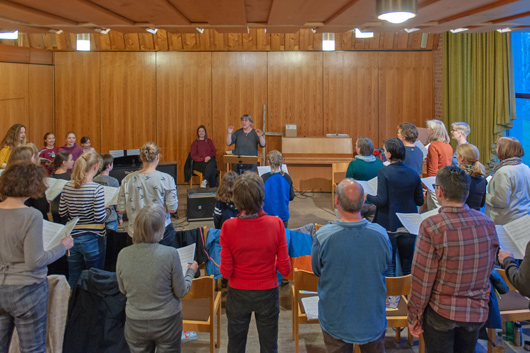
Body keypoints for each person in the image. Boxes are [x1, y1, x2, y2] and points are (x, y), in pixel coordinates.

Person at [408, 166, 498, 353]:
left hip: (442, 312)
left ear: (439, 191)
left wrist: (414, 316)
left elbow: (422, 279)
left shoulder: (431, 226)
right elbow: (489, 266)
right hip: (476, 310)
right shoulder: (487, 223)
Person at [0, 161, 73, 353]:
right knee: (32, 349)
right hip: (27, 290)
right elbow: (35, 261)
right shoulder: (31, 215)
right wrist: (62, 246)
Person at [312, 178, 391, 352]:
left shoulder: (322, 236)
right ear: (363, 201)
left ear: (336, 201)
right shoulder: (381, 235)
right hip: (372, 317)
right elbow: (386, 265)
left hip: (336, 319)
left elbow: (317, 270)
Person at [220, 172, 291, 353]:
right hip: (267, 292)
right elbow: (285, 268)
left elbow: (226, 272)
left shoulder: (228, 227)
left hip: (238, 293)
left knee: (235, 346)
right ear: (262, 196)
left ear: (236, 199)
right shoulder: (276, 224)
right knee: (269, 347)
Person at [117, 203, 198, 353]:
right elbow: (181, 291)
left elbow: (123, 289)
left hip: (136, 322)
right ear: (161, 229)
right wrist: (190, 272)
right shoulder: (170, 254)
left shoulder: (123, 254)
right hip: (167, 321)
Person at [366, 138, 424, 276]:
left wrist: (367, 196)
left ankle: (392, 296)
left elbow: (381, 200)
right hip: (409, 224)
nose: (384, 152)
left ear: (389, 154)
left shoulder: (384, 172)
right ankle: (406, 293)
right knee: (407, 264)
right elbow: (420, 201)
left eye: (384, 150)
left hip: (389, 222)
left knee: (390, 264)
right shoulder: (413, 173)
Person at [59, 151, 107, 288]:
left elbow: (62, 212)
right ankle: (93, 308)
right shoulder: (97, 189)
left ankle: (72, 306)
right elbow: (99, 218)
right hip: (93, 238)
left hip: (73, 237)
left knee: (74, 277)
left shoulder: (67, 186)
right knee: (95, 277)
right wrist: (108, 210)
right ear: (96, 166)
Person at [118, 142, 178, 246]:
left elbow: (121, 210)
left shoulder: (127, 180)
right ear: (157, 156)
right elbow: (172, 209)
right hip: (161, 232)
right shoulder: (167, 179)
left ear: (141, 157)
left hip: (135, 233)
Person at [485, 137, 530, 225]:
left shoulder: (503, 172)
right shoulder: (526, 168)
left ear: (504, 150)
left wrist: (485, 195)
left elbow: (501, 202)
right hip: (523, 219)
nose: (496, 149)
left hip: (505, 222)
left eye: (498, 147)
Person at [8, 144, 50, 221]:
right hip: (33, 221)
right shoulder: (33, 179)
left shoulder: (6, 178)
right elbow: (42, 207)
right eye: (34, 157)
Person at [262, 150, 295, 228]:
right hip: (283, 216)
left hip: (267, 215)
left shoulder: (264, 178)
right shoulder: (287, 177)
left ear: (268, 162)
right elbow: (291, 197)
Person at [425, 119, 453, 210]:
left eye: (428, 128)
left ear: (433, 130)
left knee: (434, 210)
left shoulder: (433, 146)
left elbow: (433, 169)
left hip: (435, 182)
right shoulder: (448, 145)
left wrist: (427, 187)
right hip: (445, 181)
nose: (427, 130)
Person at [94, 154, 123, 231]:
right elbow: (117, 201)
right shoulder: (114, 181)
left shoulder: (94, 179)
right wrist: (120, 217)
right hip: (111, 217)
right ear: (108, 166)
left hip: (97, 216)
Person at [455, 144, 487, 211]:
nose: (456, 156)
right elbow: (481, 203)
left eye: (457, 154)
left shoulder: (456, 176)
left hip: (460, 216)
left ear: (462, 158)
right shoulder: (482, 179)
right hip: (476, 217)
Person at [50, 151, 74, 224]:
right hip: (66, 211)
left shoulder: (51, 176)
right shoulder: (70, 177)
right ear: (64, 163)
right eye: (71, 159)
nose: (73, 161)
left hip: (54, 209)